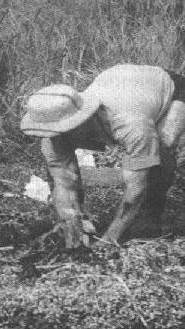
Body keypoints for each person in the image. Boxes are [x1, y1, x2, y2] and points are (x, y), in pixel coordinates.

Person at [20, 64, 185, 247]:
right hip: (123, 84)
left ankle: (150, 217)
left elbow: (135, 189)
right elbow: (64, 182)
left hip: (170, 87)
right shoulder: (53, 134)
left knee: (162, 148)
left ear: (81, 120)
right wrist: (71, 222)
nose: (55, 137)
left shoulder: (129, 123)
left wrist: (110, 238)